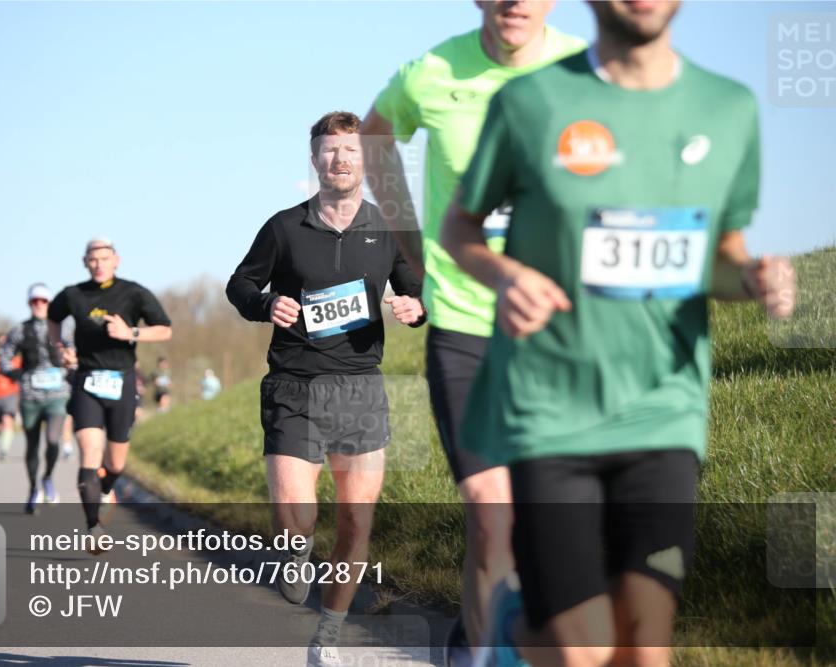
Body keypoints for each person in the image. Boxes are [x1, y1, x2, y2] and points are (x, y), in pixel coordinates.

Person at [441, 2, 797, 665]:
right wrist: (507, 276)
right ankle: (514, 630)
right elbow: (459, 225)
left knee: (643, 644)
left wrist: (751, 276)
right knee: (583, 651)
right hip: (550, 409)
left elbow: (719, 254)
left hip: (663, 408)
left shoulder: (728, 108)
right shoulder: (531, 102)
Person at [360, 2, 585, 662]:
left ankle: (480, 635)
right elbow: (376, 138)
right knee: (492, 512)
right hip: (465, 325)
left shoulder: (586, 69)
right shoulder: (432, 72)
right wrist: (413, 249)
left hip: (561, 331)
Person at [226, 111, 426, 667]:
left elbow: (417, 287)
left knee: (356, 521)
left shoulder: (389, 228)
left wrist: (416, 307)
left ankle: (327, 638)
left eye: (351, 150)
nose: (340, 159)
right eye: (330, 150)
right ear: (315, 159)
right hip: (294, 385)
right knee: (296, 516)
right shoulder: (284, 227)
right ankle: (296, 549)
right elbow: (240, 283)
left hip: (360, 388)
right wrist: (267, 302)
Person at [48, 238, 173, 548]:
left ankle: (105, 489)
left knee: (115, 465)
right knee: (90, 453)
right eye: (93, 259)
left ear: (116, 260)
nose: (99, 264)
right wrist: (59, 348)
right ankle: (93, 528)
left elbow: (165, 329)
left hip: (123, 382)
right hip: (86, 380)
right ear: (85, 262)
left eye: (105, 258)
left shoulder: (133, 292)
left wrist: (130, 332)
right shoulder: (73, 294)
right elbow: (53, 316)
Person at [0, 283, 72, 514]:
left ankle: (48, 477)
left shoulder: (63, 328)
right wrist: (15, 374)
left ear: (49, 303)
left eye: (43, 301)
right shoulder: (19, 330)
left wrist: (71, 370)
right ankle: (33, 489)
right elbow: (4, 356)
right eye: (35, 301)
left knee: (52, 440)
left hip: (57, 395)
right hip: (30, 397)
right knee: (32, 445)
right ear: (29, 303)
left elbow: (75, 353)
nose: (39, 305)